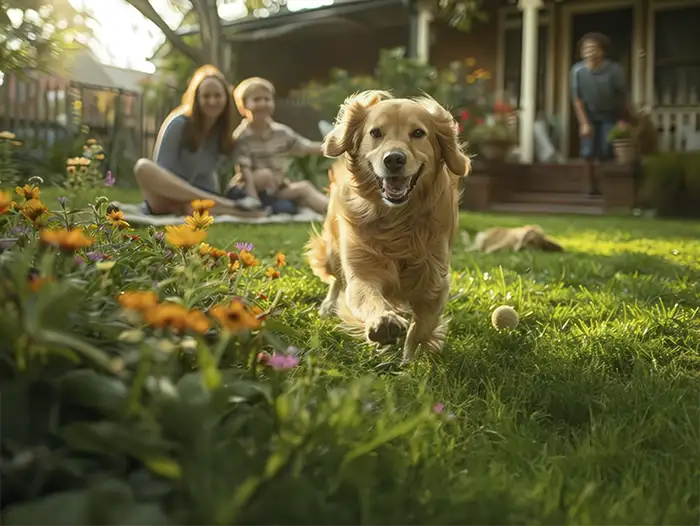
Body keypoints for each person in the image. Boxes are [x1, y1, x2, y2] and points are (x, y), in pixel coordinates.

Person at [133, 64, 263, 217]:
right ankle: (231, 208)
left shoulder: (224, 131)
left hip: (202, 195)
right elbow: (162, 170)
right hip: (169, 194)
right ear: (197, 99)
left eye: (217, 96)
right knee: (143, 167)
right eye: (206, 96)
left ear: (226, 99)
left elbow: (239, 165)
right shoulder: (178, 124)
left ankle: (209, 208)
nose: (212, 101)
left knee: (191, 207)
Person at [226, 77, 329, 215]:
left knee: (303, 188)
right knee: (265, 174)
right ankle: (261, 205)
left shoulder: (282, 132)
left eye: (267, 99)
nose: (263, 103)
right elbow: (244, 172)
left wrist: (337, 147)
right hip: (247, 190)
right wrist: (253, 201)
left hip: (276, 189)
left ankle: (336, 213)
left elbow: (306, 147)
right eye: (256, 100)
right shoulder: (242, 136)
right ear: (243, 106)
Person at [570, 32, 633, 195]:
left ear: (602, 51)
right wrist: (584, 123)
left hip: (610, 114)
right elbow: (577, 100)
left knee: (606, 149)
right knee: (588, 150)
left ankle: (605, 183)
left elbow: (621, 96)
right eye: (586, 48)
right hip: (589, 114)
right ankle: (589, 185)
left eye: (593, 48)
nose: (590, 51)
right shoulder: (578, 71)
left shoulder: (614, 70)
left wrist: (624, 119)